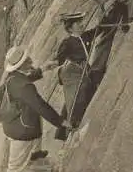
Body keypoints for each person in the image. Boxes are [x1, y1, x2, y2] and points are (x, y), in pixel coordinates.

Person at [0, 45, 72, 172]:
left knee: (35, 125)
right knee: (15, 167)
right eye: (28, 60)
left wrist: (43, 69)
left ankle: (35, 152)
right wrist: (61, 122)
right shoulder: (24, 86)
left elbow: (26, 79)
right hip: (21, 130)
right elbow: (41, 106)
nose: (31, 60)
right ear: (22, 65)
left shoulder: (13, 78)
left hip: (16, 123)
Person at [43, 12, 112, 141]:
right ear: (70, 28)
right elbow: (60, 59)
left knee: (80, 94)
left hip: (85, 70)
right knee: (77, 95)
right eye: (78, 23)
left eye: (81, 22)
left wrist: (105, 17)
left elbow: (100, 28)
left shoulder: (86, 35)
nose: (81, 24)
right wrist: (52, 63)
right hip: (73, 72)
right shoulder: (68, 42)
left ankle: (66, 129)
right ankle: (71, 127)